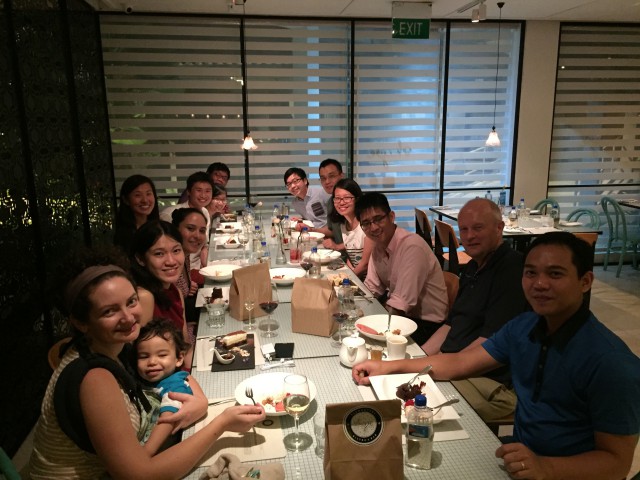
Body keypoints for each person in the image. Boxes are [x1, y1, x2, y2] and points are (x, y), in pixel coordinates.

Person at [354, 232, 640, 480]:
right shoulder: (525, 327)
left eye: (555, 274)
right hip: (518, 461)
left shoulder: (611, 363)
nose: (539, 284)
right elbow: (460, 363)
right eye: (531, 273)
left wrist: (546, 467)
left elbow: (617, 463)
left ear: (585, 281)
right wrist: (389, 367)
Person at [29, 247, 265, 479]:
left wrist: (201, 402)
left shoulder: (117, 346)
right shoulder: (94, 379)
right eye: (109, 311)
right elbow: (140, 474)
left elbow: (175, 371)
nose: (128, 317)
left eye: (131, 301)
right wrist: (222, 424)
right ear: (81, 322)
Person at [421, 198, 527, 422]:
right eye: (464, 229)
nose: (469, 236)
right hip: (455, 365)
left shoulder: (512, 270)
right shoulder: (473, 266)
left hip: (490, 382)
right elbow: (451, 324)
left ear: (499, 228)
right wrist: (420, 357)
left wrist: (439, 364)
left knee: (418, 406)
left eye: (478, 228)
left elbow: (489, 342)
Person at [356, 192, 448, 344]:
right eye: (366, 223)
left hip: (428, 326)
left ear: (391, 216)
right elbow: (372, 288)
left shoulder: (412, 247)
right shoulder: (378, 247)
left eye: (378, 219)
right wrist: (353, 308)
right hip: (404, 318)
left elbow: (400, 304)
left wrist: (373, 326)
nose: (373, 227)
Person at [130, 220, 193, 369]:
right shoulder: (144, 297)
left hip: (180, 371)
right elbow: (140, 359)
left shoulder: (175, 291)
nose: (171, 261)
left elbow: (184, 344)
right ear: (140, 259)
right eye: (159, 254)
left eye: (176, 250)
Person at [134, 317, 195, 453]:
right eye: (144, 356)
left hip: (164, 450)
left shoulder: (176, 385)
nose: (152, 362)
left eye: (162, 355)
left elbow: (169, 419)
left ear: (179, 358)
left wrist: (146, 453)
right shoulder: (142, 380)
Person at [161, 171, 213, 270]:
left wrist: (206, 267)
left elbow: (204, 246)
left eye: (208, 191)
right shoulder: (169, 214)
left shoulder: (205, 212)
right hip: (178, 269)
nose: (203, 195)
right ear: (188, 191)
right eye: (199, 190)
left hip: (198, 268)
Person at [322, 178, 373, 279]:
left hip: (369, 282)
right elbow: (351, 255)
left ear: (357, 199)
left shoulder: (366, 225)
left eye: (347, 198)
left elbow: (365, 264)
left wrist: (345, 279)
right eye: (337, 198)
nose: (341, 203)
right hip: (357, 277)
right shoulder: (344, 225)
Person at [171, 208, 208, 324]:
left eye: (202, 231)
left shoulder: (185, 256)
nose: (197, 236)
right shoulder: (171, 264)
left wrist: (188, 285)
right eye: (190, 228)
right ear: (175, 229)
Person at [114, 175, 160, 254]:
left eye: (148, 194)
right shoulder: (120, 234)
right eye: (137, 195)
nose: (145, 200)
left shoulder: (160, 227)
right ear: (125, 200)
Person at [316, 158, 346, 244]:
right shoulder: (330, 202)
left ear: (341, 176)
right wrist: (311, 230)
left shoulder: (350, 200)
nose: (327, 182)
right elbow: (333, 230)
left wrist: (337, 247)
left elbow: (360, 237)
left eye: (332, 176)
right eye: (323, 178)